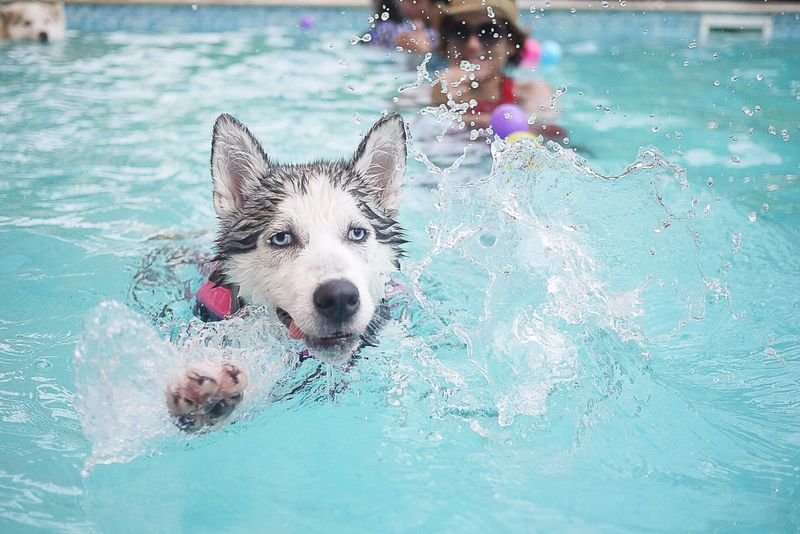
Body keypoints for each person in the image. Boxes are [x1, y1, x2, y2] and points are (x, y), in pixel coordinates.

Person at [431, 0, 564, 139]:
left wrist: (451, 119)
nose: (473, 45)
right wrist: (438, 104)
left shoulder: (530, 92)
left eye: (488, 32)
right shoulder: (429, 94)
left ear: (511, 44)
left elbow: (546, 136)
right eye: (460, 31)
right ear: (447, 44)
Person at [369, 0, 439, 54]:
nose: (410, 7)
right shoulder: (387, 29)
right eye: (407, 1)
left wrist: (423, 49)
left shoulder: (439, 31)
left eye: (416, 1)